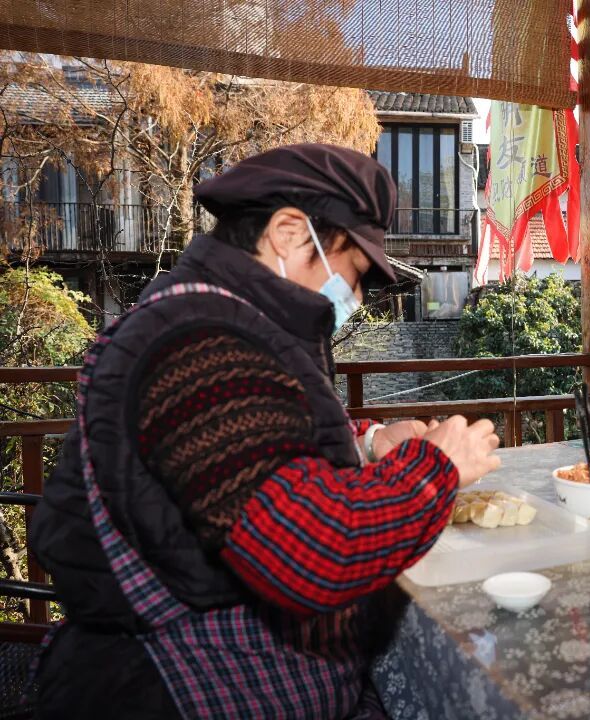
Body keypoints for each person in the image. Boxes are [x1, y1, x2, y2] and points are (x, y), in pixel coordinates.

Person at [29, 143, 501, 719]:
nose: (354, 296)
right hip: (180, 687)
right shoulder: (200, 344)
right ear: (287, 233)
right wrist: (435, 467)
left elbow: (255, 448)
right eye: (353, 271)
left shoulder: (225, 323)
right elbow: (309, 552)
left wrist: (367, 444)